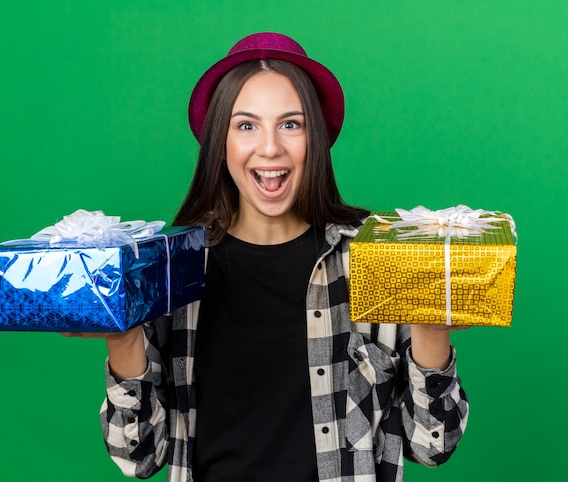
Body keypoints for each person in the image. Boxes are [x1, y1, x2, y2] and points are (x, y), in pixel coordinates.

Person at [97, 32, 468, 481]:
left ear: (316, 137)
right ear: (222, 141)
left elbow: (433, 445)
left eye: (291, 124)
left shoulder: (376, 260)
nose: (270, 148)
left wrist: (432, 328)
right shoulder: (173, 271)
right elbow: (138, 457)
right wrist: (122, 335)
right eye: (246, 125)